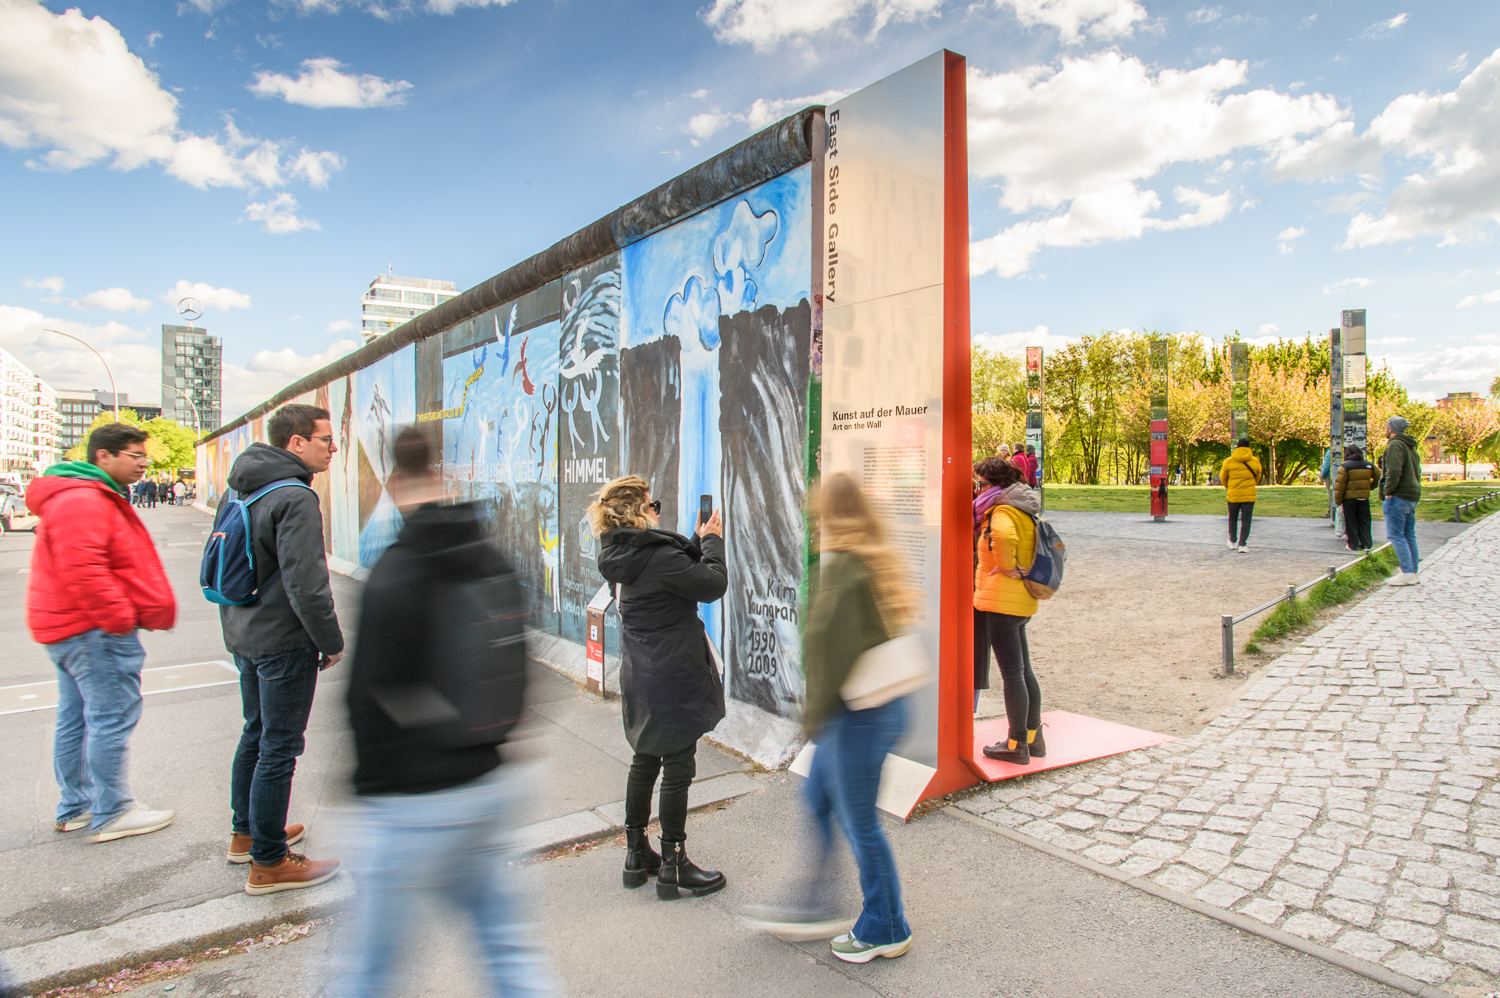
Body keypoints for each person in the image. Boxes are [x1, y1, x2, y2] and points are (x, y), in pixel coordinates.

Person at [343, 427, 557, 998]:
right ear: (447, 475)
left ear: (393, 482)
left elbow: (367, 695)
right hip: (488, 783)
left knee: (368, 970)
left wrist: (372, 788)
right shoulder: (490, 555)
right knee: (508, 948)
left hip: (412, 801)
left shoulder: (396, 571)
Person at [753, 472, 918, 962]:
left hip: (856, 715)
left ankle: (886, 926)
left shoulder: (842, 570)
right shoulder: (873, 558)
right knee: (821, 800)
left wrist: (811, 723)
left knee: (859, 822)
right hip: (877, 709)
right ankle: (812, 902)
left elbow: (827, 656)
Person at [26, 423, 178, 842]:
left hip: (69, 627)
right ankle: (113, 810)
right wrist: (118, 619)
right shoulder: (85, 500)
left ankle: (77, 806)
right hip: (91, 630)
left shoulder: (74, 496)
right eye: (135, 455)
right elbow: (85, 569)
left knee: (76, 717)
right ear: (104, 456)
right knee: (110, 715)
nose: (144, 463)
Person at [219, 403, 344, 894]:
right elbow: (307, 586)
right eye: (325, 439)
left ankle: (248, 834)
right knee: (280, 747)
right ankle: (269, 863)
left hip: (245, 631)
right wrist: (329, 641)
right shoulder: (294, 497)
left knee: (256, 733)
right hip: (281, 640)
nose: (333, 447)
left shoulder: (246, 484)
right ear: (296, 442)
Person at [592, 475, 727, 900]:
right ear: (637, 513)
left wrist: (696, 538)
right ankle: (673, 864)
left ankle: (637, 854)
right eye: (654, 506)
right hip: (673, 674)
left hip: (641, 674)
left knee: (645, 757)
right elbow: (710, 584)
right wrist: (714, 543)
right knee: (679, 764)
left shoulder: (623, 553)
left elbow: (669, 574)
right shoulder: (658, 558)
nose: (658, 511)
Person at [972, 458, 1045, 764]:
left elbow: (1002, 537)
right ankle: (1033, 737)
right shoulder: (1023, 507)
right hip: (1020, 601)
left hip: (1001, 601)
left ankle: (1016, 745)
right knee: (1023, 669)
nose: (977, 491)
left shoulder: (1001, 510)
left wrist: (1005, 565)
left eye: (980, 484)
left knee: (1012, 674)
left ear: (994, 485)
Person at [1380, 415, 1423, 585]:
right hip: (1411, 495)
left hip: (1398, 495)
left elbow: (1394, 469)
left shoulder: (1395, 445)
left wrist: (1388, 490)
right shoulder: (1410, 446)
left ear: (1391, 428)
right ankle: (1412, 570)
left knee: (1396, 534)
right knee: (1409, 534)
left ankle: (1407, 572)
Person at [1219, 439, 1261, 553]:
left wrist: (1230, 487)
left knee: (1232, 518)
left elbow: (1223, 477)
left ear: (1237, 447)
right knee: (1246, 520)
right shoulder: (1255, 461)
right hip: (1249, 495)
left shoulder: (1229, 461)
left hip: (1233, 494)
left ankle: (1232, 541)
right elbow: (1258, 476)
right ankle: (1242, 544)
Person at [1334, 444, 1377, 552]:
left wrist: (1338, 500)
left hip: (1349, 499)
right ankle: (1366, 544)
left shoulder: (1345, 466)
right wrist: (1370, 486)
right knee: (1365, 521)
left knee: (1351, 522)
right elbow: (1378, 474)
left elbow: (1340, 485)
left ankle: (1353, 544)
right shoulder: (1369, 465)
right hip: (1363, 498)